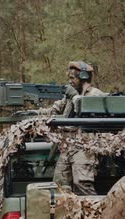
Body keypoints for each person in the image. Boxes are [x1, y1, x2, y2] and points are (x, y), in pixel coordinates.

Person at [41, 61, 106, 195]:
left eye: (72, 78)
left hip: (84, 146)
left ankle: (94, 214)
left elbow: (86, 109)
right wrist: (33, 113)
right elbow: (54, 109)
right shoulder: (70, 96)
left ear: (83, 77)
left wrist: (75, 96)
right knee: (59, 184)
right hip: (67, 146)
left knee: (82, 183)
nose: (70, 82)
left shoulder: (95, 94)